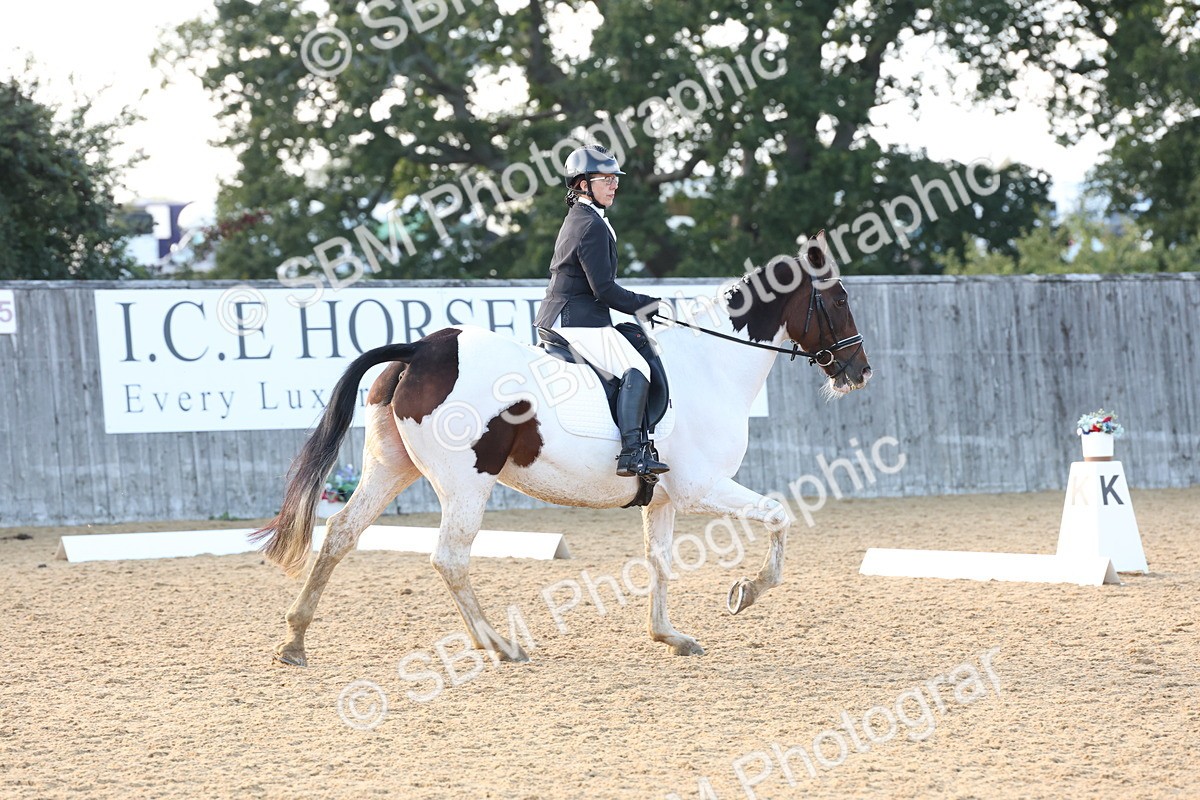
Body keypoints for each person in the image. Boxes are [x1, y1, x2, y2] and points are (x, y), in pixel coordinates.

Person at [534, 144, 669, 477]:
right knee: (637, 368)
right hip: (576, 321)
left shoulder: (584, 218)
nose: (614, 185)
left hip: (568, 316)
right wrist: (643, 304)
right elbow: (604, 290)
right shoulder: (591, 225)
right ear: (583, 184)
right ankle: (632, 453)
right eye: (606, 179)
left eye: (615, 178)